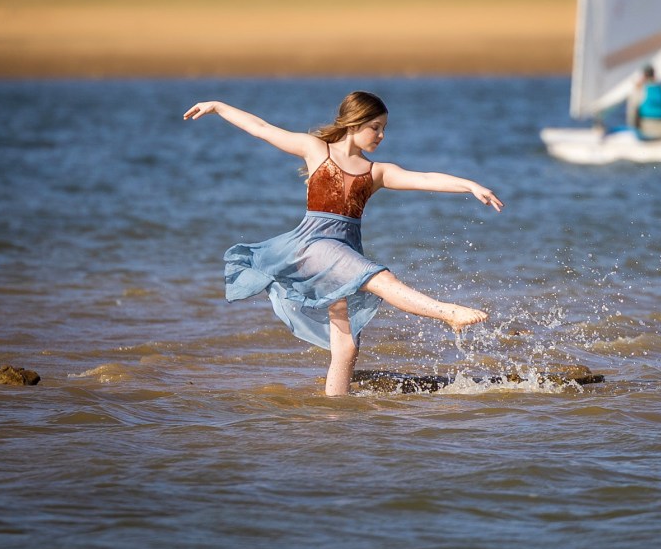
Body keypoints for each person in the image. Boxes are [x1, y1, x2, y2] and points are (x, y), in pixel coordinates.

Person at [183, 91, 503, 397]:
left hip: (344, 251)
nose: (381, 136)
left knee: (347, 347)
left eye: (384, 129)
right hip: (315, 246)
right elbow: (262, 128)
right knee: (382, 279)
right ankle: (447, 313)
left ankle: (335, 410)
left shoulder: (376, 172)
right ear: (353, 125)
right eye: (375, 128)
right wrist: (218, 107)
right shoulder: (316, 150)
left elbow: (426, 179)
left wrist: (470, 185)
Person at [625, 64, 661, 140]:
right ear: (654, 75)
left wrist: (636, 130)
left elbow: (632, 119)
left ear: (643, 76)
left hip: (647, 134)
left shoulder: (639, 92)